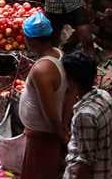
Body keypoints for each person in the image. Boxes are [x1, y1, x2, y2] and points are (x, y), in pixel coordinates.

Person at [18, 11, 71, 179]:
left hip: (43, 135)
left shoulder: (42, 70)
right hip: (46, 132)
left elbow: (50, 114)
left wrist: (62, 137)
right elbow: (68, 94)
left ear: (31, 41)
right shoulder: (57, 53)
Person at [62, 51, 112, 179]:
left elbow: (85, 163)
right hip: (106, 169)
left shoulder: (84, 116)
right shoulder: (104, 95)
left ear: (72, 82)